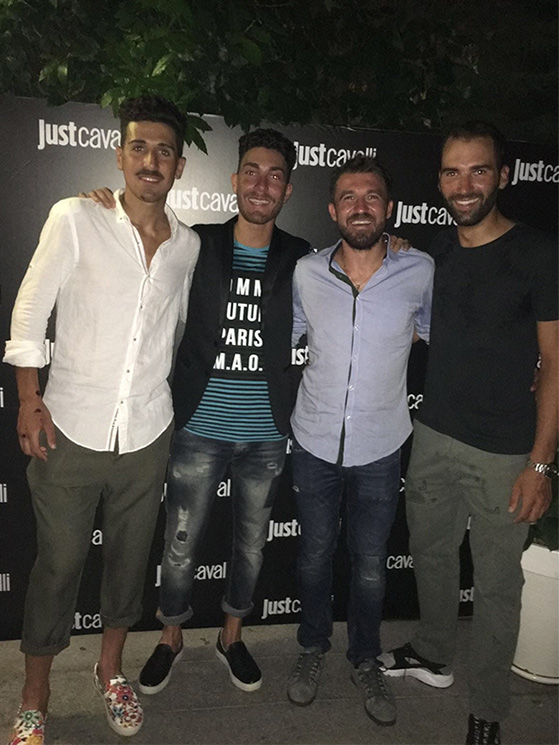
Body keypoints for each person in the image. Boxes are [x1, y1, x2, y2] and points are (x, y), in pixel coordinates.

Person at [3, 95, 200, 744]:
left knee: (127, 564)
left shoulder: (187, 246)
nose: (151, 161)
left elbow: (173, 328)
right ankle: (35, 692)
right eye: (139, 147)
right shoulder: (75, 217)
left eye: (164, 151)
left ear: (178, 167)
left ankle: (109, 669)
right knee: (58, 566)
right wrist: (28, 397)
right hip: (70, 428)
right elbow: (30, 311)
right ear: (120, 156)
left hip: (147, 432)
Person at [379, 122, 558, 745]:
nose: (465, 184)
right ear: (439, 181)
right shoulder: (435, 250)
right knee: (430, 556)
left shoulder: (539, 253)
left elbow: (555, 363)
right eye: (452, 172)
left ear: (502, 176)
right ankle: (433, 651)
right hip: (433, 436)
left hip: (504, 454)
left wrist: (540, 464)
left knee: (497, 587)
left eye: (478, 170)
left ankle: (487, 707)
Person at [286, 155, 434, 726]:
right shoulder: (306, 273)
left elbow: (437, 334)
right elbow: (285, 336)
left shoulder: (419, 270)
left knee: (370, 564)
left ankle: (365, 658)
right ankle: (311, 648)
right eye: (348, 196)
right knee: (314, 556)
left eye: (372, 196)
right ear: (332, 210)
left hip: (381, 445)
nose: (361, 206)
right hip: (314, 440)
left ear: (388, 208)